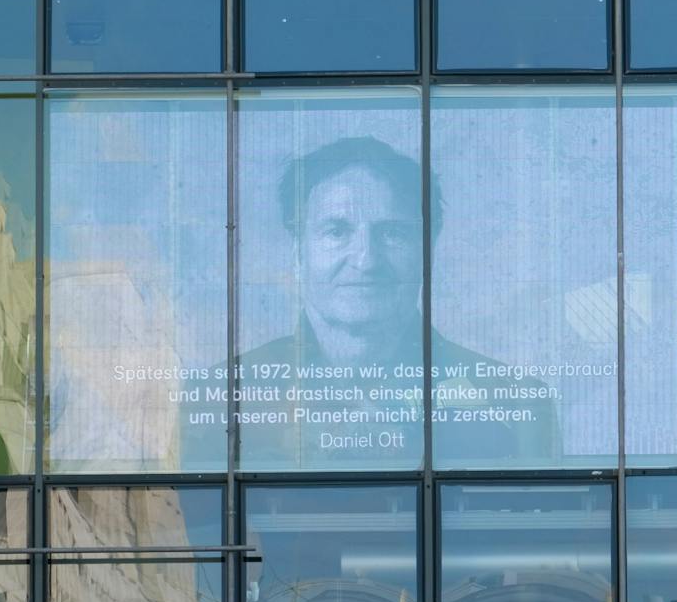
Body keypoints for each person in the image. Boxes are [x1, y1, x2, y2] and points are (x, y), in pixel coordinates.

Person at [229, 136, 561, 467]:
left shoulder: (516, 404)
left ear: (427, 251)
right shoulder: (225, 398)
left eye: (393, 233)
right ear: (298, 253)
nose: (366, 260)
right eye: (336, 231)